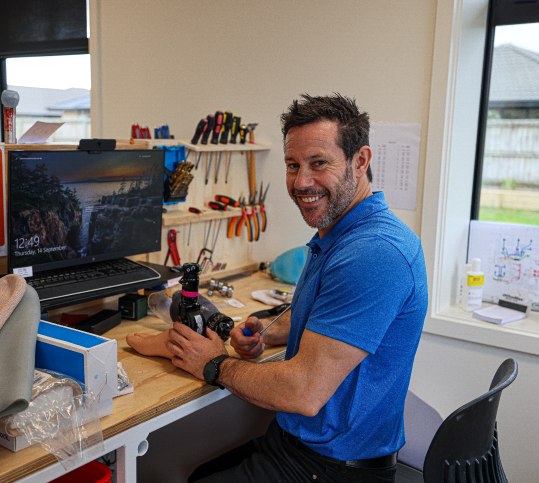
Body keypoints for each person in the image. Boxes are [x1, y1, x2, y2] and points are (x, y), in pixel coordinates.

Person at [130, 93, 428, 483]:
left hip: (333, 468)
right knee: (200, 471)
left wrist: (214, 363)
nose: (301, 182)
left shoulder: (373, 254)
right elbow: (336, 321)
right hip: (299, 445)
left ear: (361, 161)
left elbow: (302, 391)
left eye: (319, 163)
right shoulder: (341, 235)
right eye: (293, 165)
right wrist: (267, 333)